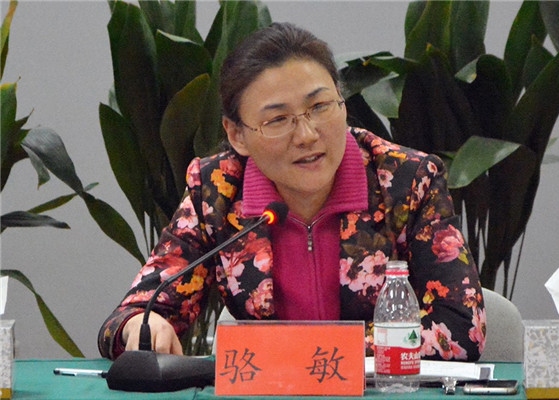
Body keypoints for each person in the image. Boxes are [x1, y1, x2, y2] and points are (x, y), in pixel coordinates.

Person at [98, 22, 486, 362]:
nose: (307, 135)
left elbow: (461, 328)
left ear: (342, 102)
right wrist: (141, 324)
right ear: (237, 135)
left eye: (320, 106)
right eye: (278, 119)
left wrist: (301, 354)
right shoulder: (217, 190)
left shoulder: (406, 181)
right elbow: (130, 317)